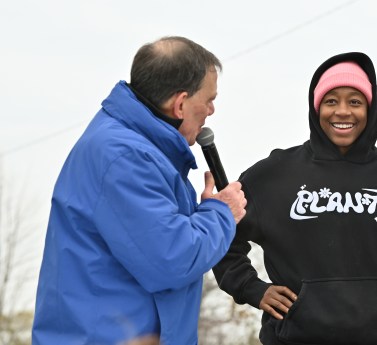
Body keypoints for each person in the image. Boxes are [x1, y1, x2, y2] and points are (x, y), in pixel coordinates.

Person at [32, 36, 247, 344]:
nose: (211, 110)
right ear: (181, 103)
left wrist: (206, 214)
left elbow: (155, 239)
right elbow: (172, 259)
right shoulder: (125, 157)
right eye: (209, 99)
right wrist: (222, 213)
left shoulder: (136, 148)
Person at [213, 52, 377, 345]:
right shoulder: (275, 174)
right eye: (331, 101)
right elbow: (220, 236)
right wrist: (253, 289)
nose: (342, 112)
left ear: (371, 108)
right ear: (316, 108)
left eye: (355, 101)